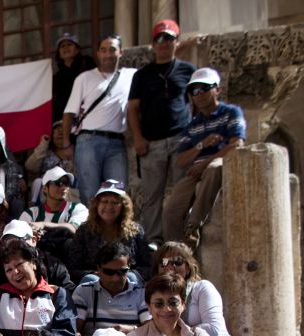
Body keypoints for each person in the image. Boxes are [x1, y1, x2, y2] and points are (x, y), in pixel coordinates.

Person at [126, 20, 197, 244]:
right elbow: (133, 108)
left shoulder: (188, 70)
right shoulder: (142, 75)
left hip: (180, 140)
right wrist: (137, 137)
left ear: (177, 42)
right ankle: (153, 241)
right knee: (152, 195)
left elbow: (195, 103)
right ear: (153, 44)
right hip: (151, 142)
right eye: (159, 39)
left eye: (168, 39)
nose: (163, 44)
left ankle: (178, 240)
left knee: (182, 192)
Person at [163, 68, 246, 246]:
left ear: (217, 89)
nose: (198, 94)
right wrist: (202, 145)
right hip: (196, 170)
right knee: (171, 208)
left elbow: (236, 145)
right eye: (194, 90)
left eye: (204, 88)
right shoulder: (192, 125)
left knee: (214, 167)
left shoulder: (231, 113)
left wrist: (205, 162)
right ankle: (174, 251)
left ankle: (193, 226)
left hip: (219, 165)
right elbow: (182, 160)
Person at [62, 35, 134, 205]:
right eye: (103, 50)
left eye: (112, 49)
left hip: (117, 142)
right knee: (90, 193)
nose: (108, 54)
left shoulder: (131, 76)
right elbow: (69, 112)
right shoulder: (84, 78)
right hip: (88, 141)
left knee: (118, 192)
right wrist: (66, 143)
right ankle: (93, 231)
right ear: (98, 54)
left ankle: (116, 231)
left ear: (121, 52)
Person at [0, 240, 82, 336]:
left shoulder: (56, 294)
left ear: (33, 263)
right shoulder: (2, 295)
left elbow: (65, 333)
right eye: (9, 270)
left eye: (19, 264)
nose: (15, 272)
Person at [67, 180, 151, 283]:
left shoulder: (135, 231)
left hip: (127, 282)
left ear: (124, 207)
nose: (109, 207)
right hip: (95, 283)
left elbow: (147, 266)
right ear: (97, 204)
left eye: (115, 202)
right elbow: (74, 268)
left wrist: (126, 274)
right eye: (104, 201)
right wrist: (96, 274)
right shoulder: (84, 231)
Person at [71, 243, 149, 336]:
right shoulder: (83, 291)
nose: (115, 278)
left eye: (122, 271)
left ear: (129, 268)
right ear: (98, 269)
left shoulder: (141, 293)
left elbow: (150, 329)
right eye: (109, 272)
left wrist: (131, 330)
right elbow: (74, 330)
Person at [52, 32, 96, 122]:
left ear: (76, 49)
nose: (66, 48)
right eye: (62, 46)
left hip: (89, 117)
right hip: (68, 123)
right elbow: (57, 104)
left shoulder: (87, 64)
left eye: (69, 44)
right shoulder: (57, 78)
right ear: (59, 53)